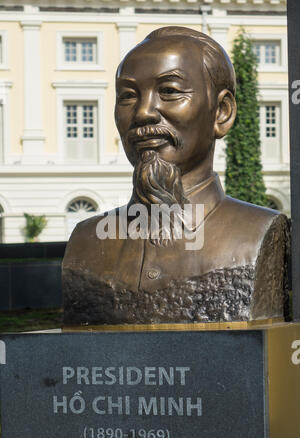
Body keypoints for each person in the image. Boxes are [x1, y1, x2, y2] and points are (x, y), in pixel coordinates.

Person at [62, 26, 289, 325]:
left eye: (169, 91)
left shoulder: (259, 234)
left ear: (222, 112)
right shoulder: (85, 242)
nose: (143, 112)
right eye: (128, 96)